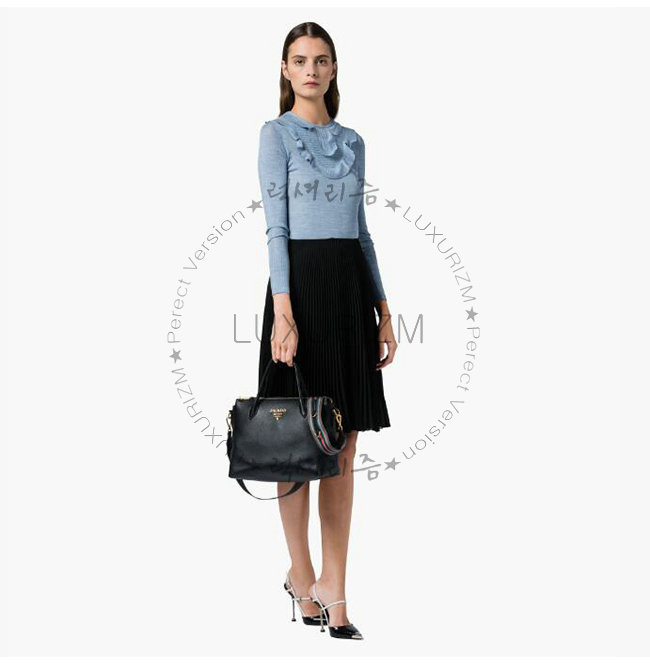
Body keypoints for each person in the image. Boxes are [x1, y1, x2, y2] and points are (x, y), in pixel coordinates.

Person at [257, 21, 398, 640]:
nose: (310, 70)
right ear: (285, 70)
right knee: (295, 439)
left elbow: (361, 229)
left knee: (343, 447)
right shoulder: (275, 134)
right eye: (299, 60)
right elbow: (277, 229)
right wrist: (284, 312)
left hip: (346, 291)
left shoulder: (354, 142)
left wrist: (383, 307)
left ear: (334, 69)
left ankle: (334, 590)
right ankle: (301, 572)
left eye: (320, 60)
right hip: (299, 290)